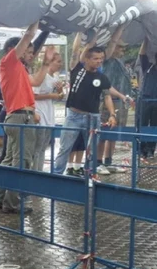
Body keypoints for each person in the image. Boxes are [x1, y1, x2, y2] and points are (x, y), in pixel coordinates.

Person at [0, 22, 53, 213]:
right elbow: (26, 38)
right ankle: (13, 202)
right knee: (22, 161)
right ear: (13, 50)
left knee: (9, 160)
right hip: (20, 117)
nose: (30, 55)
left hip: (18, 117)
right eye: (28, 51)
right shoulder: (9, 62)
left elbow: (36, 81)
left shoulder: (19, 69)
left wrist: (46, 63)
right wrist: (35, 23)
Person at [53, 32, 121, 175]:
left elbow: (107, 96)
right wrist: (82, 32)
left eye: (101, 59)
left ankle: (89, 177)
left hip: (92, 118)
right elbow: (76, 49)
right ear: (87, 59)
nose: (99, 61)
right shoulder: (77, 69)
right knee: (65, 148)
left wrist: (112, 114)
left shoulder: (102, 77)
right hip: (74, 116)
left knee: (91, 151)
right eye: (95, 59)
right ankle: (56, 176)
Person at [97, 26, 132, 174]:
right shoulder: (107, 60)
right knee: (104, 133)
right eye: (120, 48)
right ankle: (98, 162)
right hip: (107, 101)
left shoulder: (120, 63)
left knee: (114, 134)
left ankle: (108, 161)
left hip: (120, 103)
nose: (122, 51)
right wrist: (118, 31)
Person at [31, 52, 64, 172]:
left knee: (44, 145)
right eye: (58, 61)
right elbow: (33, 95)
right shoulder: (42, 76)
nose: (61, 64)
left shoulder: (55, 77)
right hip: (40, 112)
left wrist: (60, 90)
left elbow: (59, 97)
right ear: (50, 62)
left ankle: (39, 171)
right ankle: (35, 171)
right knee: (38, 146)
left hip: (49, 113)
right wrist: (51, 95)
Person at [138, 36, 157, 161]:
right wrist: (145, 39)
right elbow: (141, 54)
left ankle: (150, 150)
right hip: (145, 100)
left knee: (154, 126)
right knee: (142, 125)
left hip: (156, 102)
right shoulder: (148, 67)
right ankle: (141, 150)